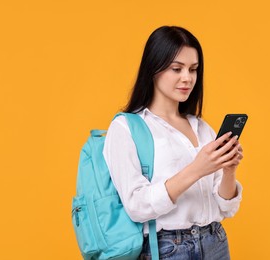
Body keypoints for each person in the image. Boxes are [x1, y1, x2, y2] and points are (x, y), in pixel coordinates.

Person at [103, 25, 244, 260]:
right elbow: (137, 206)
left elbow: (226, 208)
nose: (187, 78)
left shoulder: (201, 128)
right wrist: (197, 170)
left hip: (215, 242)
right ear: (153, 69)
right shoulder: (127, 128)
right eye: (176, 69)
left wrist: (229, 170)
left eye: (193, 69)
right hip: (169, 249)